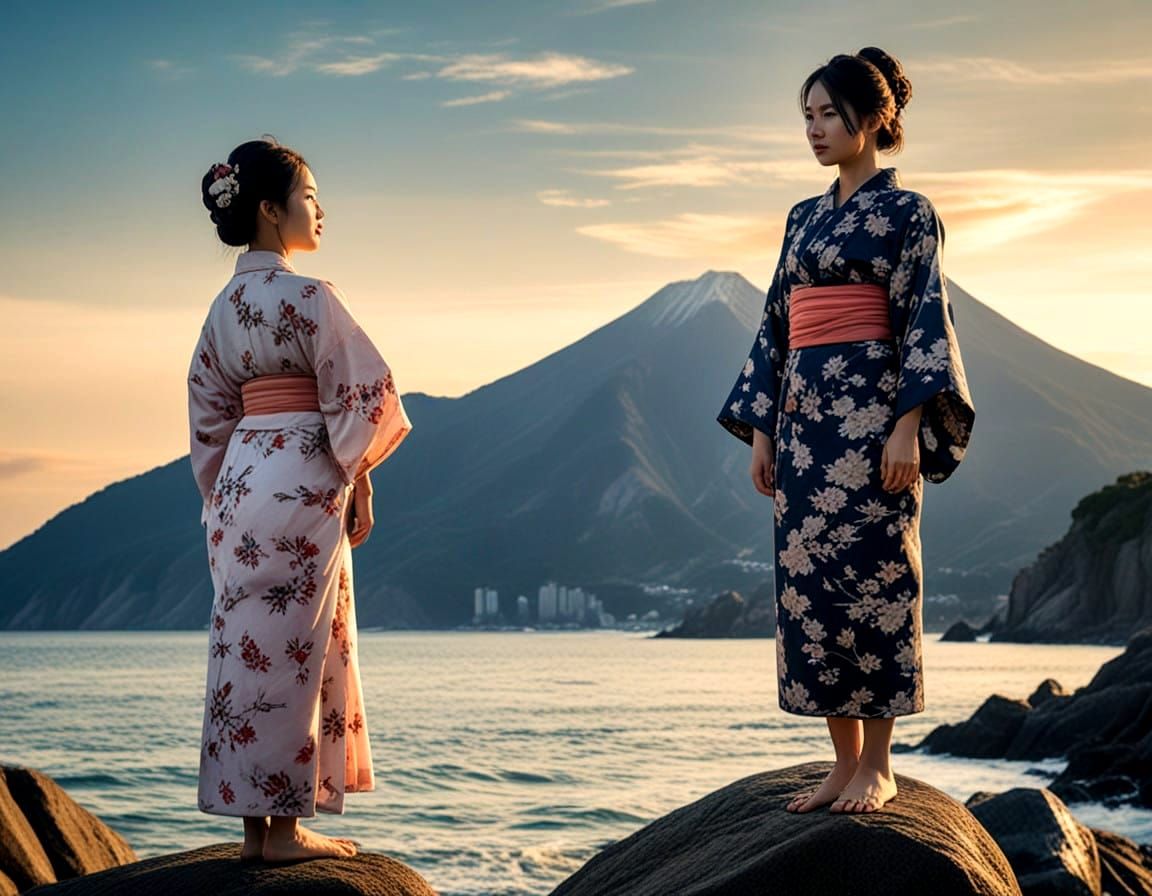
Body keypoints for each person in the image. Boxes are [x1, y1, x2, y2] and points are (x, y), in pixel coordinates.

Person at [716, 48, 975, 815]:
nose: (815, 128)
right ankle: (842, 763)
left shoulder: (909, 214)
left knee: (878, 581)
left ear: (874, 117)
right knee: (811, 591)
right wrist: (763, 430)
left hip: (872, 429)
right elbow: (776, 322)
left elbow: (925, 320)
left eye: (829, 113)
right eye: (807, 115)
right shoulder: (802, 218)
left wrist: (907, 427)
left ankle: (880, 766)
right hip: (804, 431)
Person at [188, 137, 412, 861]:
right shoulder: (312, 297)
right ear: (269, 209)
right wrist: (359, 474)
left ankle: (254, 831)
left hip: (241, 482)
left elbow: (207, 411)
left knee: (242, 648)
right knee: (296, 649)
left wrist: (223, 493)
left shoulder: (223, 308)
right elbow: (363, 392)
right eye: (309, 197)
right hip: (305, 476)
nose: (320, 211)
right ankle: (286, 832)